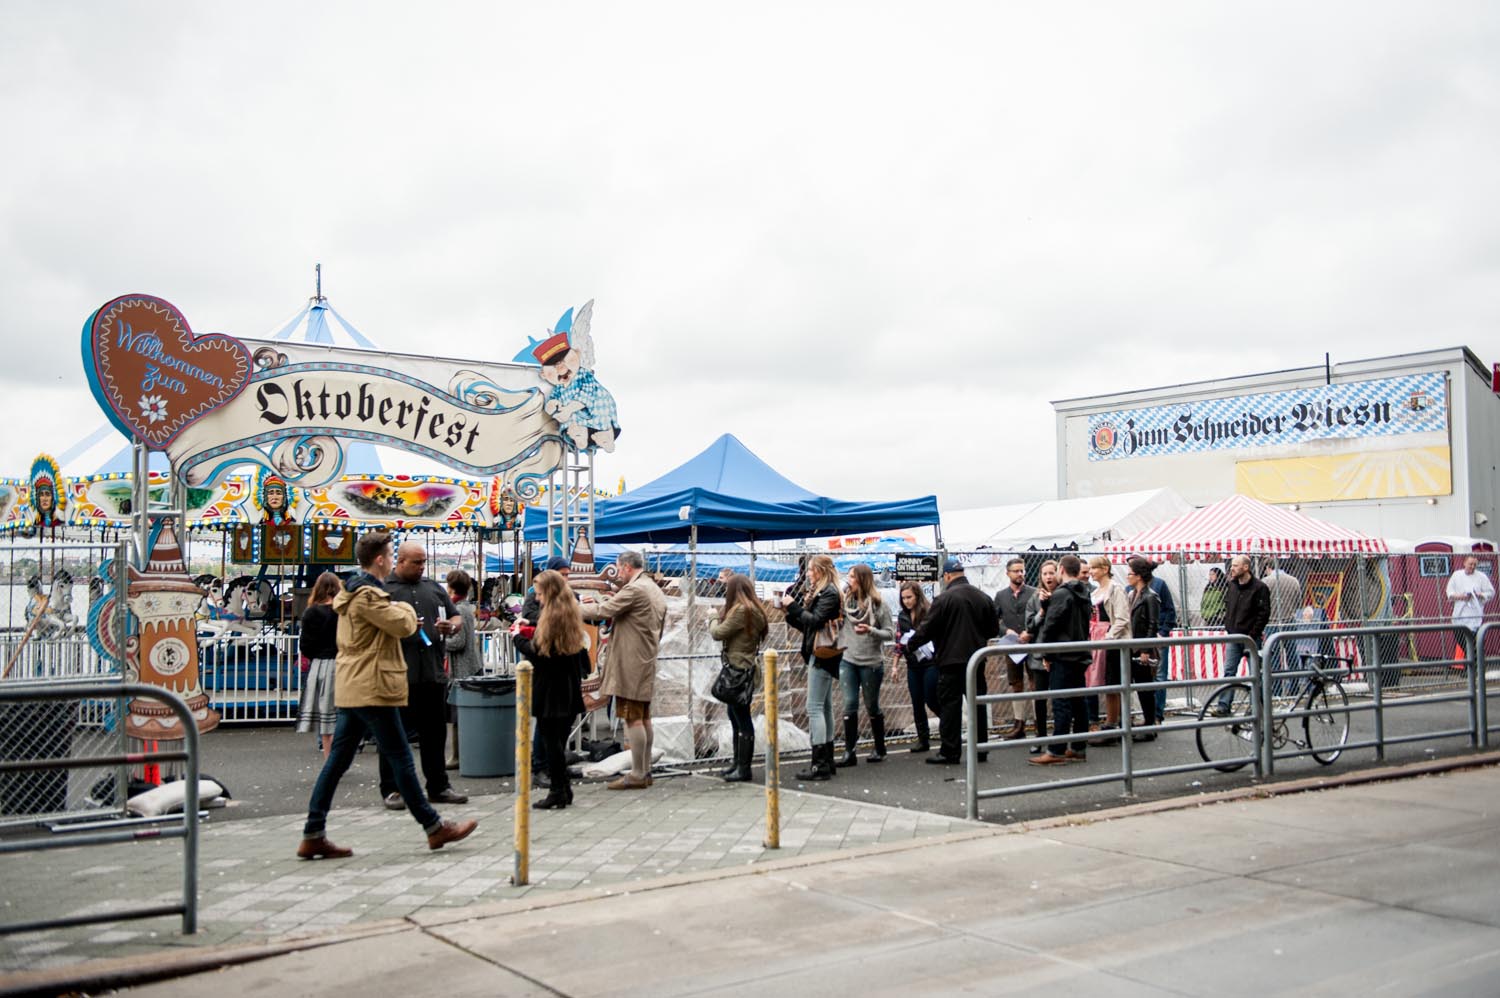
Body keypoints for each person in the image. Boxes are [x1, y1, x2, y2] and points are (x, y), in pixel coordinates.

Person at [296, 530, 477, 859]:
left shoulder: (356, 592)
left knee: (338, 760)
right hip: (373, 683)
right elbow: (405, 624)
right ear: (381, 559)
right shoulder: (369, 596)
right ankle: (434, 827)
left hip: (358, 684)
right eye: (393, 555)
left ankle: (314, 830)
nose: (394, 560)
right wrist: (408, 612)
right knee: (401, 759)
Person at [379, 542, 468, 810]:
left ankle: (438, 786)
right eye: (416, 563)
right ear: (401, 561)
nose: (421, 567)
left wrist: (449, 627)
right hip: (398, 673)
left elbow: (456, 619)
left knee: (434, 734)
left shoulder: (434, 588)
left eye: (423, 563)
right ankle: (392, 788)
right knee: (394, 735)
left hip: (431, 673)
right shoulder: (385, 590)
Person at [581, 550, 667, 790]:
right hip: (644, 658)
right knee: (643, 717)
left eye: (619, 568)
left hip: (630, 662)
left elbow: (602, 613)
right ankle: (644, 769)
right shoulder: (651, 587)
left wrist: (570, 609)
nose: (618, 573)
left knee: (633, 719)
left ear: (627, 567)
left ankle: (638, 773)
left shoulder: (635, 589)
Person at [909, 557, 999, 765]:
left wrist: (911, 645)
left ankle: (950, 751)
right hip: (976, 659)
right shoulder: (983, 597)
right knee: (978, 704)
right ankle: (980, 749)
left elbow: (927, 628)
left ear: (947, 575)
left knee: (950, 706)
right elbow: (993, 629)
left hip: (950, 660)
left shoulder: (944, 599)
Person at [513, 569, 588, 809]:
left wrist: (517, 637)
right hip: (568, 686)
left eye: (540, 593)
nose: (537, 598)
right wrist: (531, 622)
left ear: (550, 592)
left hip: (551, 688)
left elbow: (541, 652)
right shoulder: (567, 610)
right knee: (558, 740)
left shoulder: (552, 616)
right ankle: (563, 789)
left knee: (551, 742)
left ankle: (558, 790)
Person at [783, 555, 843, 781]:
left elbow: (816, 621)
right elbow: (809, 624)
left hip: (822, 655)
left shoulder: (828, 593)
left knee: (814, 707)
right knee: (824, 707)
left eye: (810, 570)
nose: (807, 574)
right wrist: (790, 613)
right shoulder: (826, 591)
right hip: (821, 651)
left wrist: (794, 607)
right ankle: (827, 759)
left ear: (820, 570)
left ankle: (820, 764)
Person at [1029, 554, 1093, 765]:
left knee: (1061, 702)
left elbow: (1051, 625)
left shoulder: (1061, 594)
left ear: (1062, 570)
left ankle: (1056, 750)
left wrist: (1046, 654)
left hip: (1063, 655)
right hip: (1080, 652)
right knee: (1078, 701)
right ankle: (1078, 747)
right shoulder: (1084, 593)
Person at [710, 573, 767, 782]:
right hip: (746, 667)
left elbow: (718, 633)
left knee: (741, 718)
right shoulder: (755, 609)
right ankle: (738, 764)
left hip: (737, 669)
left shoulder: (742, 611)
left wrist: (713, 617)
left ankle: (743, 768)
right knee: (736, 716)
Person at [835, 563, 894, 767]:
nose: (848, 580)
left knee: (872, 705)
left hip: (870, 662)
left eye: (852, 577)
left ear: (862, 580)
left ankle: (879, 747)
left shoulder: (878, 605)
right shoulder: (845, 602)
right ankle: (849, 752)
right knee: (850, 703)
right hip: (848, 659)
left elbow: (890, 633)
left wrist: (871, 630)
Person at [521, 555, 572, 786]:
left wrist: (517, 637)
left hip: (554, 678)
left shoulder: (562, 610)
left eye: (568, 575)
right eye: (563, 575)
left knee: (551, 729)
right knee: (551, 728)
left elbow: (541, 648)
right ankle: (550, 772)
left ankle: (554, 777)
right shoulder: (562, 606)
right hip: (557, 678)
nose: (566, 579)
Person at [1213, 554, 1271, 714]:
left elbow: (1264, 613)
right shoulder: (1232, 585)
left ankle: (1256, 707)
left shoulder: (1259, 588)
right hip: (1233, 635)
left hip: (1250, 638)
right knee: (1229, 671)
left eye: (1236, 565)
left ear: (1246, 567)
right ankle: (1223, 706)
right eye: (1232, 565)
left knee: (1255, 674)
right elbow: (1228, 607)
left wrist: (1253, 634)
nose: (1232, 568)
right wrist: (1229, 626)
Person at [297, 572, 343, 758]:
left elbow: (305, 645)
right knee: (342, 711)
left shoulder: (311, 612)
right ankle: (343, 751)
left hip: (320, 664)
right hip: (342, 662)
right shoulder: (341, 611)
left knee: (325, 713)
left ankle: (328, 755)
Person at [991, 558, 1036, 742]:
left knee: (1035, 682)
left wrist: (1030, 631)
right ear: (1007, 573)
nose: (1020, 574)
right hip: (1012, 644)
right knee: (1016, 683)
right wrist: (1005, 630)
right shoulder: (1001, 596)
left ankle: (1037, 722)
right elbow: (994, 620)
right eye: (1016, 571)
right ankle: (1019, 724)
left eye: (1022, 571)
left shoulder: (1034, 593)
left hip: (1032, 644)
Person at [1018, 560, 1060, 755]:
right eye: (1045, 574)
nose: (1048, 577)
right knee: (1040, 699)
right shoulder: (1034, 598)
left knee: (1060, 698)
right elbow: (1029, 626)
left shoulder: (1063, 595)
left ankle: (1061, 738)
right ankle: (1040, 736)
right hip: (1038, 655)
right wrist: (1042, 612)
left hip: (1059, 655)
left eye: (1052, 573)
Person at [443, 570, 483, 771]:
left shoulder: (459, 611)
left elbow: (458, 642)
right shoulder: (465, 608)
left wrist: (440, 639)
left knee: (459, 716)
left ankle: (458, 755)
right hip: (468, 666)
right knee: (460, 715)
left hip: (463, 669)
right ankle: (459, 754)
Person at [1088, 556, 1131, 743]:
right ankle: (1111, 722)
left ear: (1105, 569)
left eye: (1093, 568)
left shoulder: (1115, 589)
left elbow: (1122, 618)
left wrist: (1109, 635)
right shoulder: (1097, 591)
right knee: (1104, 681)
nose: (1090, 572)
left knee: (1112, 681)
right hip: (1097, 637)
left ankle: (1113, 723)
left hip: (1110, 638)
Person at [894, 581, 937, 753]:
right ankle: (923, 738)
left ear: (917, 596)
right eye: (903, 598)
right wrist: (895, 665)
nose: (906, 601)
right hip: (912, 663)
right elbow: (899, 641)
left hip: (930, 662)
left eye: (909, 597)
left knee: (931, 697)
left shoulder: (928, 612)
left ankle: (949, 728)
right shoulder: (902, 617)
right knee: (916, 700)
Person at [1125, 557, 1162, 742]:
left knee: (1145, 686)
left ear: (1138, 576)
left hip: (1142, 648)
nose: (1127, 576)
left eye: (1130, 573)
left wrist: (1146, 649)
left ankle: (1150, 724)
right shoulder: (1132, 595)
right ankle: (1148, 721)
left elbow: (1152, 625)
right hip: (1133, 646)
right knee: (1139, 685)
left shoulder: (1150, 596)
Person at [1446, 555, 1494, 636]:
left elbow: (1491, 592)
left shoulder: (1481, 576)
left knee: (1475, 645)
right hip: (1459, 616)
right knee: (1463, 642)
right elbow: (1449, 593)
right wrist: (1461, 597)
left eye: (1475, 564)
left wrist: (1480, 595)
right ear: (1464, 563)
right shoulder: (1456, 575)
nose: (1472, 566)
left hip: (1475, 617)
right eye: (1470, 564)